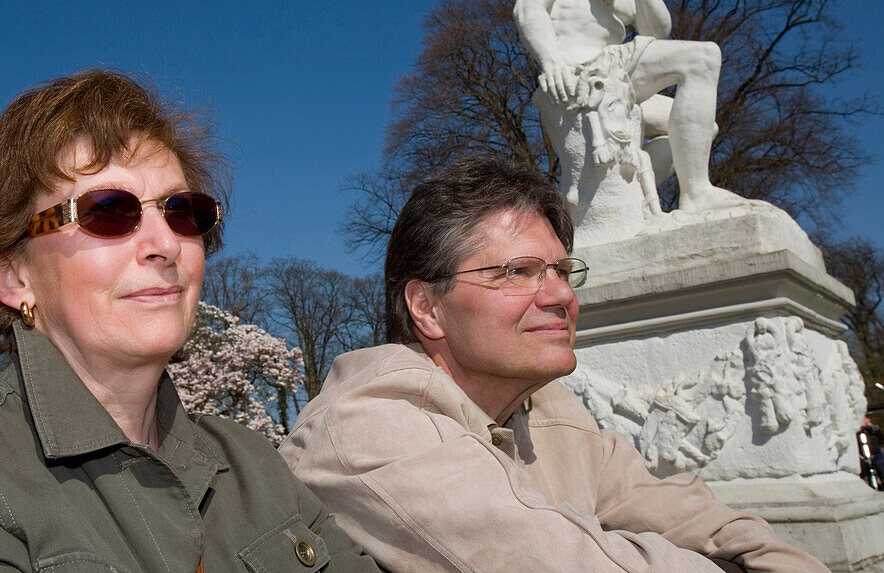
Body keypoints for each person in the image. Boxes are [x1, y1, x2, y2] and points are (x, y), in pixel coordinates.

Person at [0, 70, 378, 572]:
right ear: (12, 276)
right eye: (108, 211)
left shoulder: (258, 468)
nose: (166, 243)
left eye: (181, 211)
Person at [280, 155, 827, 572]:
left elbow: (690, 514)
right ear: (427, 307)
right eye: (517, 272)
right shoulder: (367, 428)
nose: (560, 296)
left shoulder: (545, 410)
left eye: (562, 271)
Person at [513, 0, 740, 213]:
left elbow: (657, 31)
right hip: (583, 69)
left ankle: (640, 202)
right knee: (703, 58)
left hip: (617, 69)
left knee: (701, 127)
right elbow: (529, 5)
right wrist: (550, 62)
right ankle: (697, 193)